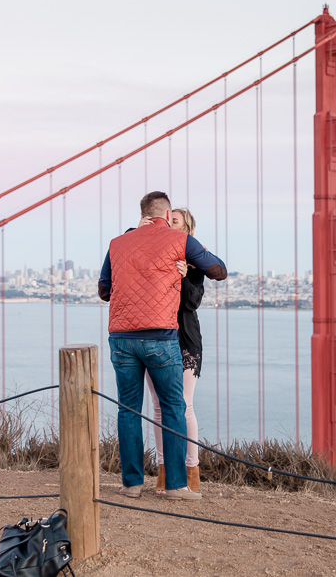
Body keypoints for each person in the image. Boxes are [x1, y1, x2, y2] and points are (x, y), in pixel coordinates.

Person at [98, 191, 227, 501]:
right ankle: (177, 486)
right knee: (173, 407)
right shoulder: (179, 241)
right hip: (160, 338)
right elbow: (219, 270)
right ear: (168, 216)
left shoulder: (118, 243)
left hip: (121, 338)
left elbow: (104, 290)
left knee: (128, 409)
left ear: (143, 214)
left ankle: (131, 484)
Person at [145, 208, 206, 495]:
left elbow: (192, 303)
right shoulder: (153, 258)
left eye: (176, 222)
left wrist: (182, 277)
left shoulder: (194, 263)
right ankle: (164, 472)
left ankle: (191, 472)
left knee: (183, 404)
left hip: (184, 340)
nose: (168, 226)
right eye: (166, 222)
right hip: (155, 338)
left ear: (188, 232)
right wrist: (138, 231)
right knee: (157, 406)